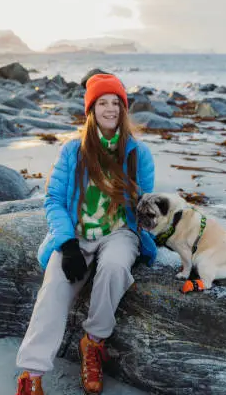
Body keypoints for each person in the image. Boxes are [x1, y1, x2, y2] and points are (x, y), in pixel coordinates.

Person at [15, 74, 157, 395]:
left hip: (120, 232)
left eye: (115, 103)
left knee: (116, 267)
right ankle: (32, 374)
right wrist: (67, 244)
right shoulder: (72, 152)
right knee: (54, 285)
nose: (110, 109)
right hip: (77, 233)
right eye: (102, 103)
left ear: (123, 109)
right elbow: (53, 200)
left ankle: (93, 342)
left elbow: (146, 205)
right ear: (91, 111)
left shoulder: (138, 154)